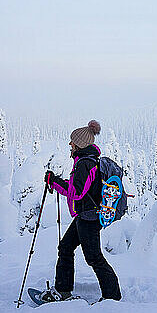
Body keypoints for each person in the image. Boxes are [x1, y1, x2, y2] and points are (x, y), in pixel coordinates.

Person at [40, 119, 122, 303]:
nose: (70, 144)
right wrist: (57, 181)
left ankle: (112, 296)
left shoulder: (85, 163)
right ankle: (62, 290)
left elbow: (76, 193)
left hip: (89, 217)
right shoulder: (86, 161)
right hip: (85, 215)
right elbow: (79, 188)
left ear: (80, 144)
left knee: (93, 257)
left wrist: (54, 182)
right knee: (66, 247)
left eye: (73, 141)